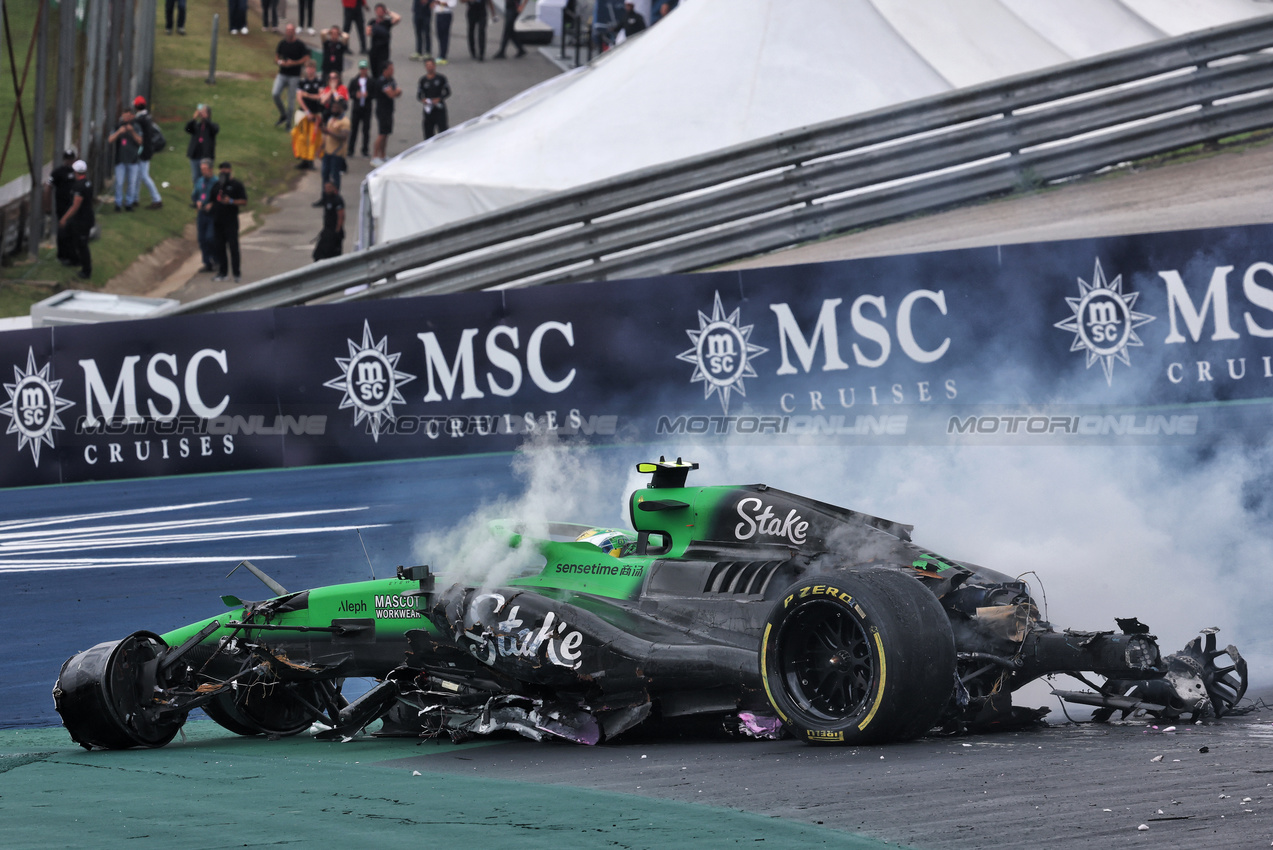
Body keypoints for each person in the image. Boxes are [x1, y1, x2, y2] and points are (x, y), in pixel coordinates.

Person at [211, 161, 247, 282]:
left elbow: (244, 201)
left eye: (226, 170)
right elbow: (212, 199)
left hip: (231, 221)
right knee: (219, 248)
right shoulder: (217, 185)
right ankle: (223, 272)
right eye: (221, 170)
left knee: (233, 248)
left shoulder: (236, 184)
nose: (223, 172)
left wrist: (231, 201)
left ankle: (236, 273)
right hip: (218, 221)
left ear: (230, 170)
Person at [60, 160, 95, 279]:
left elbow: (75, 206)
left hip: (82, 220)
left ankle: (86, 271)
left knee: (82, 245)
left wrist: (64, 218)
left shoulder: (78, 187)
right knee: (70, 237)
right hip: (85, 218)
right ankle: (74, 260)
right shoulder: (87, 183)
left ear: (76, 172)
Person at [273, 24, 310, 129]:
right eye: (287, 30)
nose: (289, 32)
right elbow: (276, 57)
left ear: (294, 32)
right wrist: (281, 62)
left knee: (291, 100)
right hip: (282, 73)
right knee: (275, 94)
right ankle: (283, 114)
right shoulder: (282, 43)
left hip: (294, 76)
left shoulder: (299, 44)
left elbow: (306, 57)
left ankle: (289, 123)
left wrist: (294, 63)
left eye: (291, 30)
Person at [45, 149, 77, 266]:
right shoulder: (57, 172)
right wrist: (47, 206)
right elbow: (48, 186)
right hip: (62, 206)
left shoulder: (77, 172)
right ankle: (62, 255)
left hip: (74, 206)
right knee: (63, 230)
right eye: (67, 159)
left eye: (71, 159)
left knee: (73, 230)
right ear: (64, 160)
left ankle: (72, 255)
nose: (69, 162)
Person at [132, 96, 164, 209]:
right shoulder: (147, 117)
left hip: (144, 150)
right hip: (148, 149)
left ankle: (157, 199)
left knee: (144, 176)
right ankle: (135, 198)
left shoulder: (140, 119)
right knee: (139, 176)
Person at [317, 98, 351, 205]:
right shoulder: (332, 119)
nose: (333, 109)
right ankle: (324, 197)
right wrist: (320, 148)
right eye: (333, 107)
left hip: (337, 153)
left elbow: (344, 137)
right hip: (328, 151)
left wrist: (329, 132)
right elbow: (326, 135)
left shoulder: (345, 122)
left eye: (336, 107)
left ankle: (335, 198)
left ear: (341, 108)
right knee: (325, 175)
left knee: (335, 177)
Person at [108, 109, 143, 211]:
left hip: (133, 160)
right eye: (124, 116)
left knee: (131, 183)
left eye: (128, 116)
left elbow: (140, 141)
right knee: (119, 182)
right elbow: (110, 139)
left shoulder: (136, 127)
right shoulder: (118, 126)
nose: (125, 118)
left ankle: (129, 203)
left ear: (132, 116)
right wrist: (119, 132)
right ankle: (118, 204)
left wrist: (132, 131)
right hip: (120, 160)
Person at [293, 62, 324, 169]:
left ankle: (311, 160)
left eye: (312, 67)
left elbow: (320, 96)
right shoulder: (302, 82)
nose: (310, 70)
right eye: (308, 68)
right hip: (303, 113)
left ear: (315, 69)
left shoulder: (319, 81)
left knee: (313, 138)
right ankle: (303, 159)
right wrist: (307, 111)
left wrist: (308, 95)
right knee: (301, 137)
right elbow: (299, 98)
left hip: (316, 114)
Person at [371, 61, 401, 166]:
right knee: (382, 134)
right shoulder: (381, 81)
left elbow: (398, 92)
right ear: (385, 70)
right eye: (390, 69)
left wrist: (395, 92)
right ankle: (375, 156)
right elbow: (392, 94)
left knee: (386, 133)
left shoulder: (391, 80)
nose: (392, 71)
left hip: (389, 110)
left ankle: (383, 155)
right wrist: (395, 92)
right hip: (382, 110)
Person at [191, 158, 219, 272]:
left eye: (205, 169)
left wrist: (212, 204)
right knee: (202, 239)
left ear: (211, 169)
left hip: (213, 214)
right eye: (201, 169)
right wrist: (197, 201)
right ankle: (207, 263)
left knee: (211, 237)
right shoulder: (200, 181)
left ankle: (217, 259)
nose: (203, 171)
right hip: (202, 213)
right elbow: (195, 195)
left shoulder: (217, 182)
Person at [185, 103, 219, 186]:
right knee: (196, 178)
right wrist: (194, 118)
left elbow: (214, 130)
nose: (202, 114)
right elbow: (187, 129)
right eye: (201, 112)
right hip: (195, 155)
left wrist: (206, 119)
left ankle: (207, 195)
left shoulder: (213, 126)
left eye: (204, 112)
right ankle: (197, 196)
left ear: (208, 114)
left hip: (206, 156)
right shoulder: (196, 125)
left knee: (207, 177)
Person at [417, 57, 450, 139]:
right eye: (427, 65)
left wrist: (439, 99)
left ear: (434, 66)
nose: (429, 67)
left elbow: (448, 92)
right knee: (428, 133)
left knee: (443, 132)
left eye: (431, 65)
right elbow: (419, 95)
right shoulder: (423, 80)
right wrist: (423, 100)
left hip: (439, 109)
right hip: (428, 110)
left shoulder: (441, 78)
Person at [346, 60, 374, 157]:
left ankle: (365, 149)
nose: (363, 71)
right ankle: (350, 149)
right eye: (361, 69)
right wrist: (355, 95)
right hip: (356, 109)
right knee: (354, 129)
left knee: (366, 130)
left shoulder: (370, 81)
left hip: (367, 108)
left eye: (365, 68)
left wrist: (368, 95)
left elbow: (374, 94)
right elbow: (349, 93)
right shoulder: (354, 81)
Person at [366, 4, 401, 77]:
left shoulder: (387, 22)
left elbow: (398, 18)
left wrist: (389, 12)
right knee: (374, 72)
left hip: (384, 51)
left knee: (382, 71)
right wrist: (372, 31)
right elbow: (368, 32)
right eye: (378, 10)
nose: (379, 12)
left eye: (381, 11)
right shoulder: (372, 22)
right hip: (374, 51)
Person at [313, 180, 345, 260]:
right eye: (326, 188)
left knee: (332, 254)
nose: (327, 189)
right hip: (327, 229)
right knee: (319, 254)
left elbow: (341, 216)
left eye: (329, 187)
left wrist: (337, 230)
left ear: (334, 188)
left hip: (334, 231)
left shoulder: (337, 200)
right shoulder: (326, 198)